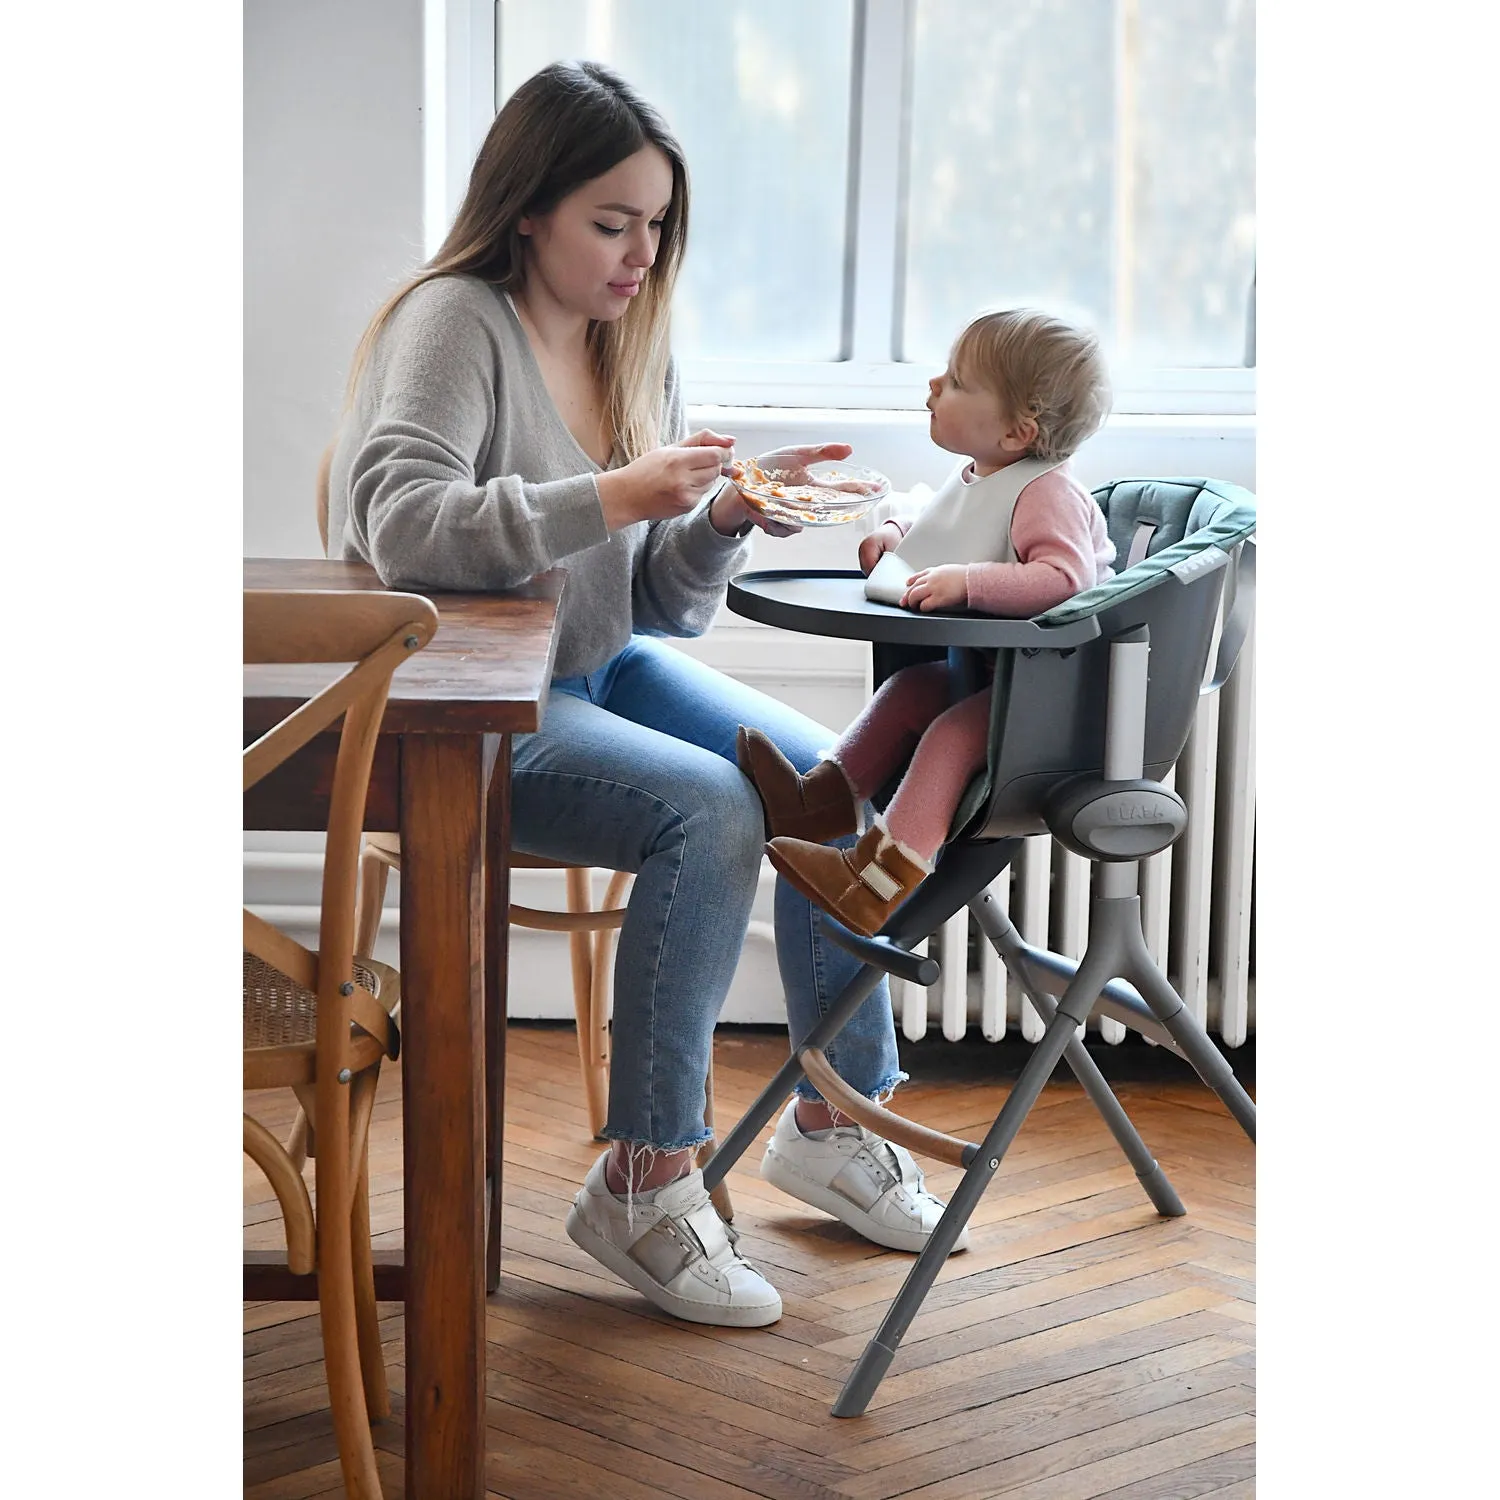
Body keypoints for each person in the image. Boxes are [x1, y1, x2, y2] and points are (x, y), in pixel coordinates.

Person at [324, 60, 963, 1331]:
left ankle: (836, 1118)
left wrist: (721, 517)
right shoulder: (455, 322)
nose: (641, 252)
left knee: (829, 781)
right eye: (611, 223)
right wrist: (617, 493)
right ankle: (646, 1178)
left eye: (656, 223)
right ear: (527, 211)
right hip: (458, 697)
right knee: (715, 811)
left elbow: (654, 606)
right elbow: (398, 524)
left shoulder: (631, 341)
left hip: (592, 661)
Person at [735, 307, 1115, 937]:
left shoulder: (1047, 492)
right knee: (909, 692)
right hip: (1002, 680)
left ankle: (873, 884)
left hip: (1054, 701)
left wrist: (968, 583)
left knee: (949, 736)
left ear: (1019, 432)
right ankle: (815, 805)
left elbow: (1065, 581)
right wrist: (895, 536)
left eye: (959, 382)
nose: (935, 386)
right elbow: (944, 527)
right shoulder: (987, 476)